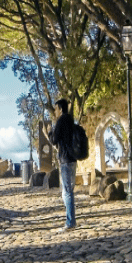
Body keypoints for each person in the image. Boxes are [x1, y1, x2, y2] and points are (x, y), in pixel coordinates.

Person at [49, 98, 78, 232]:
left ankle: (70, 222)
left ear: (60, 109)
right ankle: (71, 220)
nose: (55, 112)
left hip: (65, 159)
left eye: (55, 109)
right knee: (68, 190)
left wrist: (50, 131)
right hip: (73, 159)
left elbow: (54, 140)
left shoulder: (61, 121)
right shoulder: (71, 120)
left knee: (67, 192)